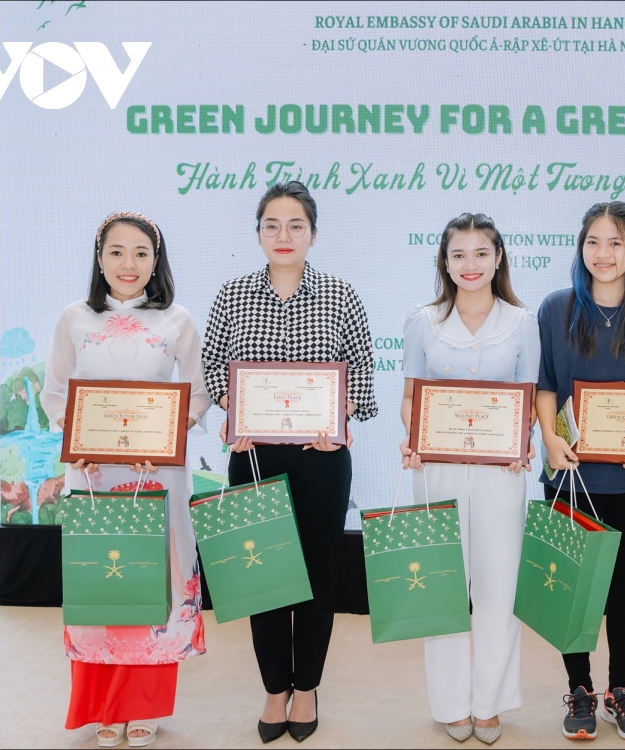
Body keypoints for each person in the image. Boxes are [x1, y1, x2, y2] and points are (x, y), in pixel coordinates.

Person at [202, 181, 377, 743]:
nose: (283, 235)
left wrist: (339, 415)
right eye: (272, 225)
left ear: (313, 235)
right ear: (257, 233)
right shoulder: (232, 295)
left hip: (322, 457)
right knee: (263, 576)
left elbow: (363, 375)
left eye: (295, 225)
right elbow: (212, 367)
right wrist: (233, 407)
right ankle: (275, 688)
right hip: (253, 456)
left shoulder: (340, 295)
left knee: (319, 575)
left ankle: (307, 688)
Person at [42, 211, 212, 748]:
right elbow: (55, 394)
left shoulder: (178, 320)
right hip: (92, 474)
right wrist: (77, 447)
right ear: (99, 259)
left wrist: (167, 438)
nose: (128, 263)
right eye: (116, 252)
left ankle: (143, 707)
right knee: (103, 580)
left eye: (141, 252)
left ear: (156, 261)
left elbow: (199, 394)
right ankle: (104, 708)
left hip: (157, 474)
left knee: (152, 580)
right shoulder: (74, 318)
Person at [537, 201, 625, 742]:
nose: (603, 253)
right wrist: (549, 439)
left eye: (616, 242)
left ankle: (620, 690)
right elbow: (545, 386)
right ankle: (580, 690)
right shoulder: (556, 309)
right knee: (571, 586)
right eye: (593, 241)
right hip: (571, 474)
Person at [399, 212, 541, 744]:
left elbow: (528, 399)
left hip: (501, 473)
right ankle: (451, 704)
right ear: (444, 261)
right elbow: (411, 399)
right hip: (436, 472)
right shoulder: (423, 320)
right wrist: (414, 438)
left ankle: (490, 703)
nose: (470, 264)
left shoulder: (522, 322)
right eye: (458, 254)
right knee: (444, 589)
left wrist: (523, 440)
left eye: (481, 253)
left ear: (499, 257)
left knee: (499, 588)